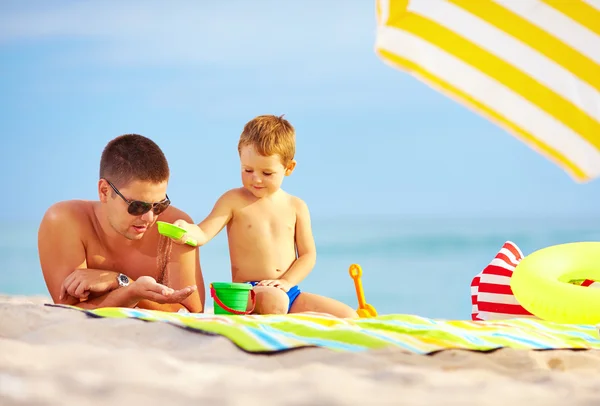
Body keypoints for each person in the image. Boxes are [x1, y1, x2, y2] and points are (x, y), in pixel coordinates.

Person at [168, 115, 358, 318]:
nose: (256, 179)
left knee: (347, 315)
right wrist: (186, 230)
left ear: (289, 168)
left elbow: (307, 255)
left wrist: (286, 282)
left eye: (267, 173)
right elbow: (204, 232)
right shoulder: (234, 200)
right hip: (247, 293)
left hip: (288, 291)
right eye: (247, 170)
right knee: (274, 300)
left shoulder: (296, 207)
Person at [38, 134, 205, 312]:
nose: (150, 218)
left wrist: (124, 284)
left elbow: (190, 312)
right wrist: (134, 292)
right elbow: (70, 310)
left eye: (159, 205)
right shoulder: (66, 221)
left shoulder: (176, 225)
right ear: (104, 191)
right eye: (138, 206)